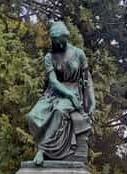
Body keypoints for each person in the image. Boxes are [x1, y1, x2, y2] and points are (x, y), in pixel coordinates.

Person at [27, 21, 96, 165]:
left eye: (60, 41)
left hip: (73, 91)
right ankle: (45, 147)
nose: (58, 45)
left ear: (66, 37)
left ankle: (43, 150)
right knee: (33, 116)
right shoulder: (49, 57)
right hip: (54, 92)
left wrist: (91, 102)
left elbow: (87, 79)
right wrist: (68, 95)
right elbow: (53, 81)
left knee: (59, 111)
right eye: (55, 42)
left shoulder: (78, 54)